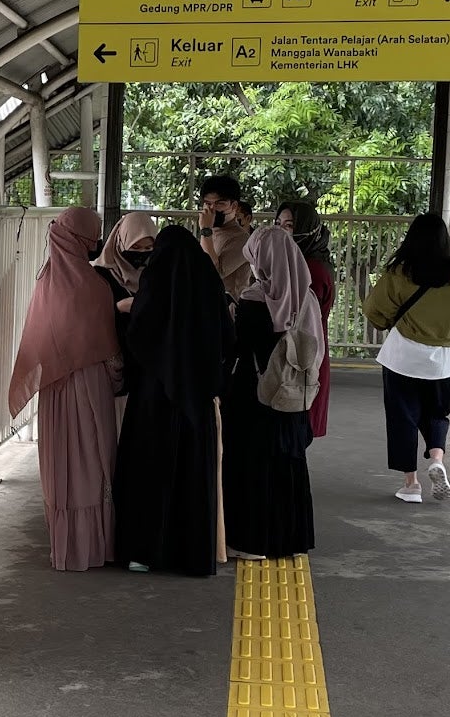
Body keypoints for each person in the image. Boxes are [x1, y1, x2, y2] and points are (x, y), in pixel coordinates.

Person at [113, 226, 233, 575]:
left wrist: (128, 312)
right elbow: (227, 339)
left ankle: (143, 554)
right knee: (193, 476)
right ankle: (192, 556)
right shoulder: (208, 281)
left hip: (154, 397)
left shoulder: (156, 276)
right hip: (197, 397)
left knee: (148, 471)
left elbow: (140, 335)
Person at [8, 207, 122, 571]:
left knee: (62, 464)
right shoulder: (95, 286)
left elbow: (40, 342)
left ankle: (66, 547)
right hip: (92, 385)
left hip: (56, 390)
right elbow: (109, 346)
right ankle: (97, 545)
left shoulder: (45, 282)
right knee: (94, 461)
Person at [363, 213, 450, 504]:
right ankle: (437, 459)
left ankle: (411, 484)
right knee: (437, 413)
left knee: (403, 416)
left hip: (404, 356)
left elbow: (373, 309)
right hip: (444, 360)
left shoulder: (399, 273)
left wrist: (391, 321)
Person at [222, 226, 320, 559]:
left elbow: (236, 347)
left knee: (251, 466)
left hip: (255, 394)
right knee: (288, 466)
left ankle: (252, 543)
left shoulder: (254, 301)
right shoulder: (308, 299)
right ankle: (291, 541)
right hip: (293, 394)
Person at [276, 201, 335, 438]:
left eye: (289, 226)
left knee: (298, 416)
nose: (282, 232)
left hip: (304, 350)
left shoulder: (310, 269)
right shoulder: (303, 260)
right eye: (278, 224)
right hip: (301, 347)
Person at [92, 212, 158, 400]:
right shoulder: (101, 274)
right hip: (113, 360)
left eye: (149, 247)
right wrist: (118, 309)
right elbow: (90, 318)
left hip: (147, 360)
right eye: (135, 247)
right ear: (120, 242)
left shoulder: (155, 273)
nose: (141, 254)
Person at [198, 175, 251, 299]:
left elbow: (213, 274)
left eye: (219, 204)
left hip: (229, 309)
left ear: (234, 206)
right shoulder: (211, 232)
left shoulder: (242, 239)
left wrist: (206, 230)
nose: (212, 209)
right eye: (207, 203)